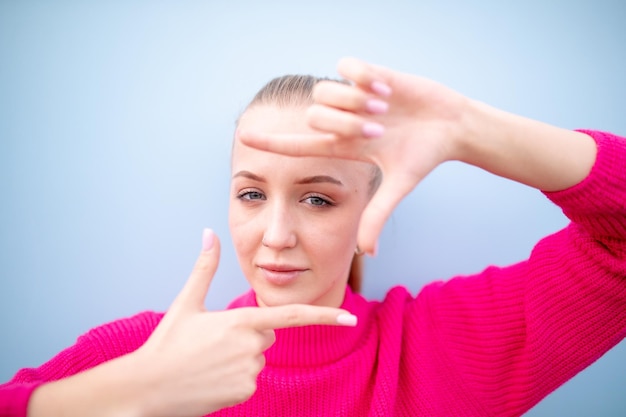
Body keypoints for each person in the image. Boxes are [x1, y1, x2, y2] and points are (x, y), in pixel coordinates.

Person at [1, 57, 625, 417]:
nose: (275, 235)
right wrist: (131, 393)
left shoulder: (442, 350)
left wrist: (470, 129)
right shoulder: (142, 352)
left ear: (369, 212)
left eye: (318, 199)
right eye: (251, 193)